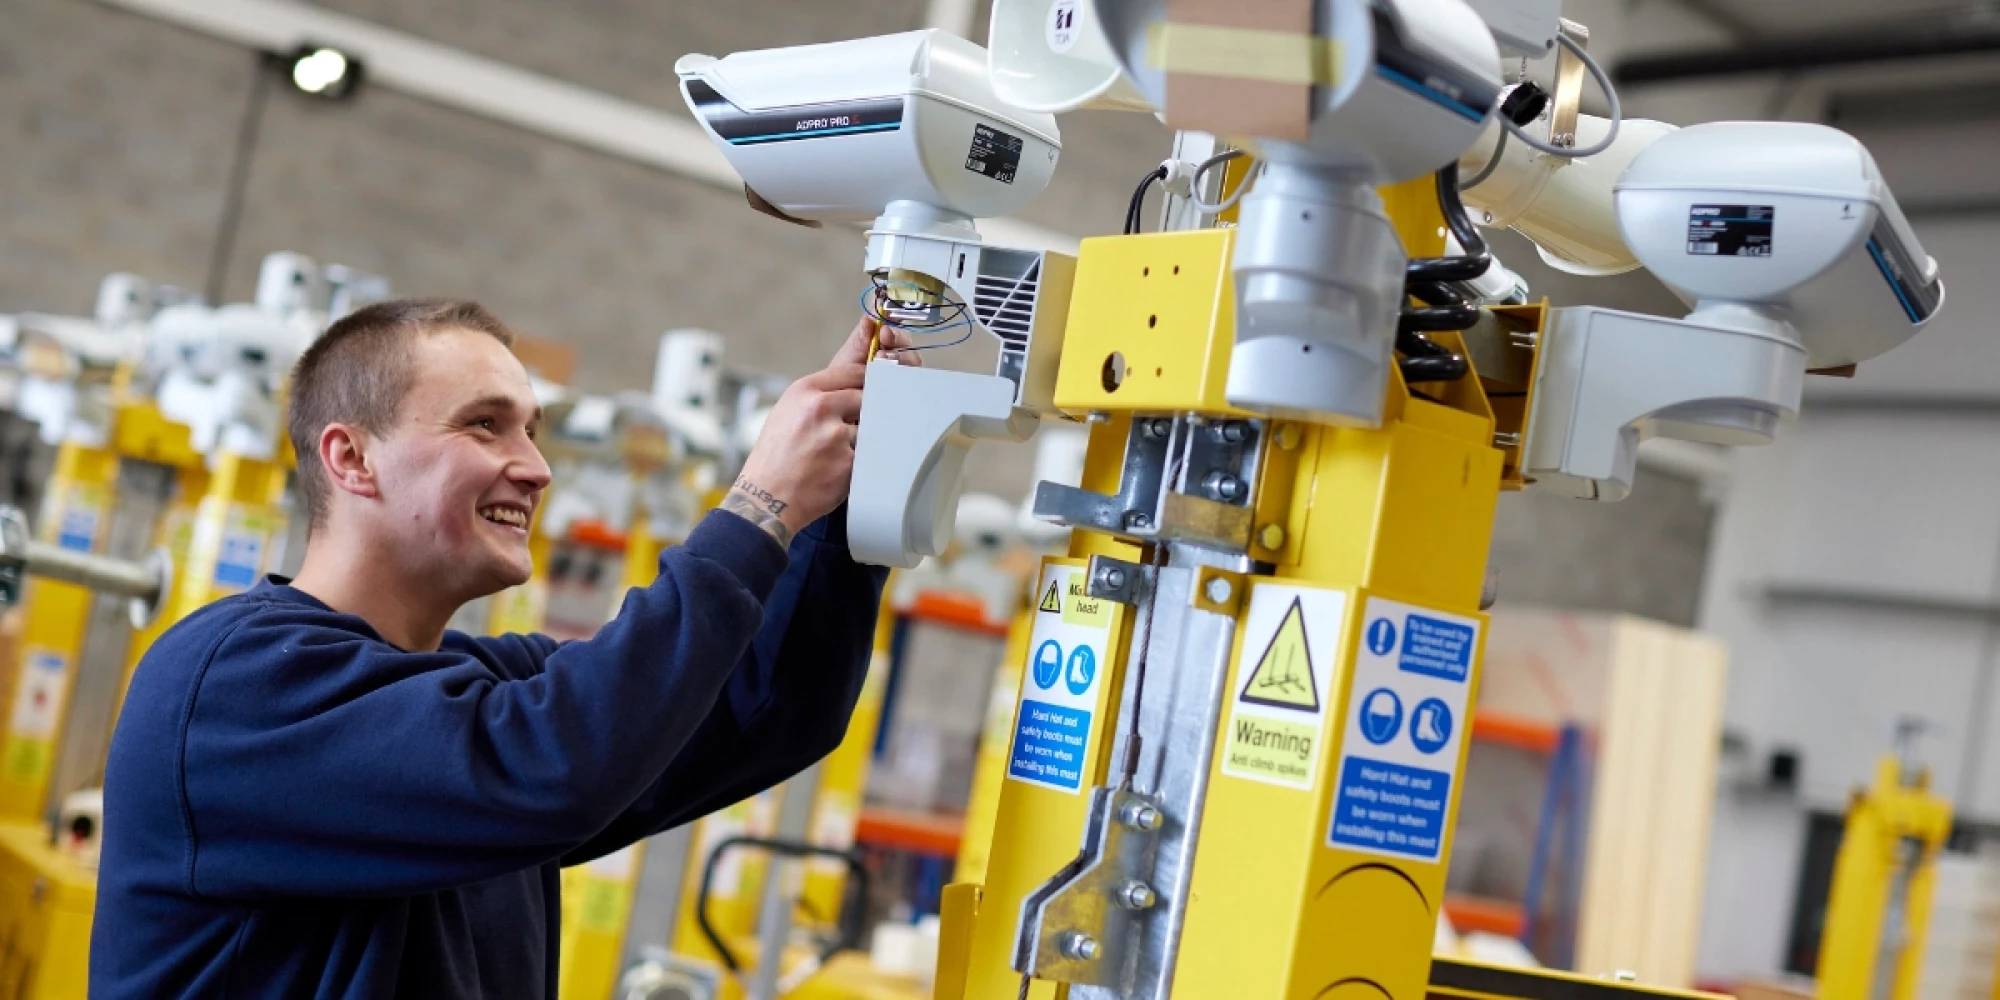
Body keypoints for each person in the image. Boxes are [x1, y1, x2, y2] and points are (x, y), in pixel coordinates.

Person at [91, 298, 915, 998]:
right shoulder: (230, 686)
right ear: (351, 458)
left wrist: (845, 512)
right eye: (484, 426)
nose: (535, 468)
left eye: (531, 431)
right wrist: (760, 503)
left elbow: (764, 709)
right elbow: (549, 763)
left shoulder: (473, 693)